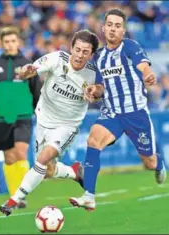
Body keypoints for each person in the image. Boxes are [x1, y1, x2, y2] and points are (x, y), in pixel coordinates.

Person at [69, 9, 167, 211]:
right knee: (93, 140)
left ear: (123, 30)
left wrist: (148, 74)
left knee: (148, 162)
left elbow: (143, 65)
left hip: (136, 114)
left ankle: (159, 164)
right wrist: (92, 90)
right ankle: (89, 195)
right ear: (103, 28)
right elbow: (100, 87)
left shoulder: (130, 46)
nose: (113, 28)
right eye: (110, 24)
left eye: (118, 25)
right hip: (112, 113)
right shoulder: (98, 58)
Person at [0, 29, 101, 216]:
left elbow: (101, 89)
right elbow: (27, 72)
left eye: (85, 52)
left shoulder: (94, 73)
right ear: (71, 48)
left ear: (91, 54)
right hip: (44, 119)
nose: (79, 55)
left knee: (42, 159)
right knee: (46, 170)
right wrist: (25, 72)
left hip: (67, 125)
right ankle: (74, 172)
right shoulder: (56, 59)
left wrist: (96, 92)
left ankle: (14, 200)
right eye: (77, 49)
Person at [0, 26, 42, 208]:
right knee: (9, 158)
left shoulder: (28, 64)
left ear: (18, 42)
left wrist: (39, 110)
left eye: (13, 41)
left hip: (23, 115)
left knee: (21, 152)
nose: (10, 44)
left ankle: (21, 195)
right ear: (1, 43)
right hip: (1, 118)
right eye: (6, 41)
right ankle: (15, 195)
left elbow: (36, 90)